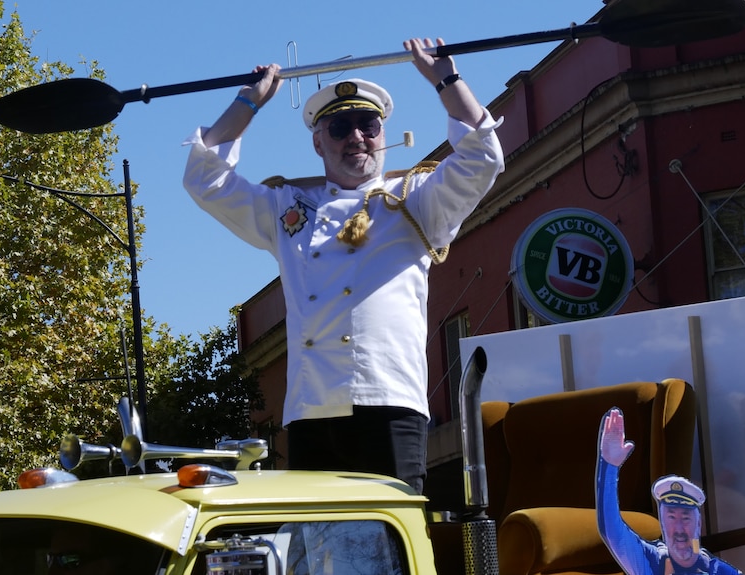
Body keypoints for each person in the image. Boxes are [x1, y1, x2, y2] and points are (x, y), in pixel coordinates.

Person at [182, 38, 504, 493]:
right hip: (312, 410)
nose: (357, 137)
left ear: (383, 132)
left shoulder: (418, 201)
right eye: (340, 128)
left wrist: (446, 80)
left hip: (390, 401)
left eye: (367, 125)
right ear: (318, 142)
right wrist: (246, 104)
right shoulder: (288, 209)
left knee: (393, 548)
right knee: (320, 552)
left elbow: (483, 157)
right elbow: (204, 180)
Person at [597, 407, 743, 574]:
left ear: (699, 523)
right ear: (662, 523)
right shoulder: (650, 561)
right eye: (671, 517)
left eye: (686, 517)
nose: (679, 528)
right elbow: (613, 531)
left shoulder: (718, 571)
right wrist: (609, 466)